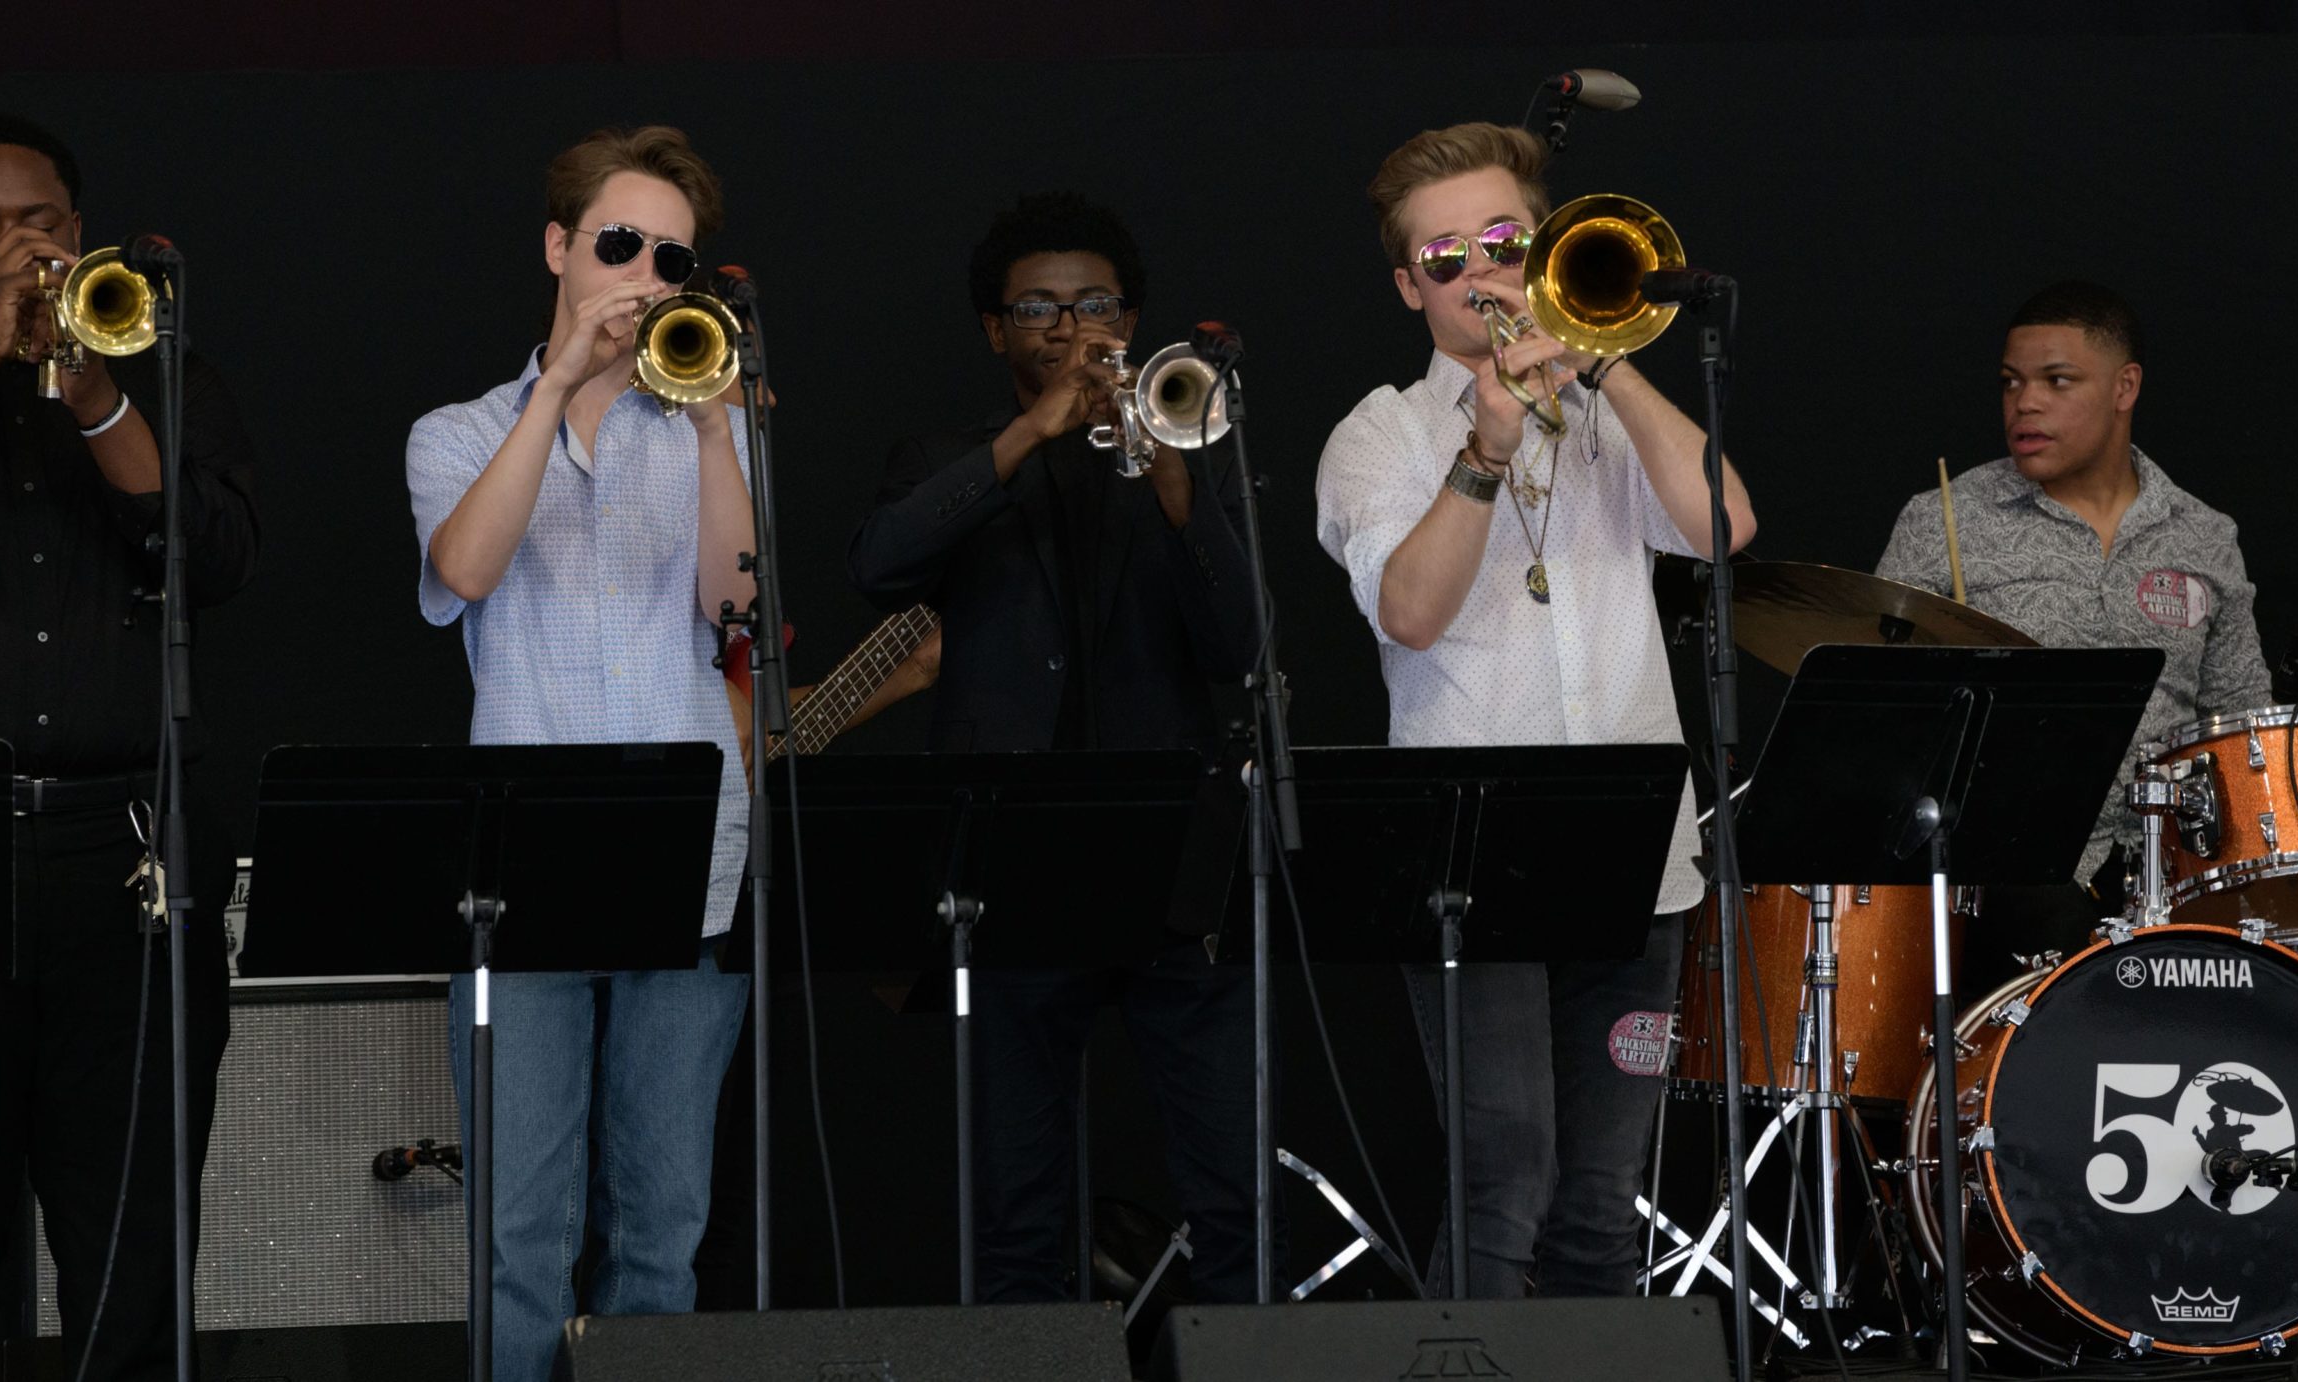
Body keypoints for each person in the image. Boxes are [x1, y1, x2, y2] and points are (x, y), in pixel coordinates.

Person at [1314, 122, 1755, 1298]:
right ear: (1411, 285)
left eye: (1505, 243)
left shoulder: (1610, 410)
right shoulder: (1378, 434)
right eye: (1447, 258)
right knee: (1504, 1183)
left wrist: (1610, 363)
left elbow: (1726, 533)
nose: (1484, 276)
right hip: (1469, 857)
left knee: (1604, 1200)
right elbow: (1406, 612)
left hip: (1637, 860)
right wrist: (1485, 448)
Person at [0, 112, 257, 1380]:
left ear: (79, 238)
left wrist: (91, 391)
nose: (16, 251)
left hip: (123, 856)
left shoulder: (153, 377)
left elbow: (215, 553)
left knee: (130, 1244)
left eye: (41, 229)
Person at [845, 190, 1271, 1301]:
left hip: (1175, 861)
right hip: (1011, 868)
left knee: (1233, 1186)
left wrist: (1176, 477)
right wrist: (1030, 433)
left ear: (1132, 317)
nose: (1067, 324)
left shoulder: (1189, 446)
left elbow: (1237, 643)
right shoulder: (944, 455)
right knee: (1018, 1198)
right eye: (1037, 306)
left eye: (1092, 303)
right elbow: (880, 564)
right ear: (997, 330)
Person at [403, 124, 752, 1382]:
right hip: (520, 879)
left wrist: (718, 436)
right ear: (559, 249)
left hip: (687, 865)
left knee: (662, 1230)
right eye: (619, 243)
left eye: (673, 257)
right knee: (519, 1238)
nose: (645, 273)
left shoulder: (707, 423)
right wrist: (556, 388)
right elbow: (463, 570)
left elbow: (733, 615)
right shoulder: (455, 431)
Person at [1876, 281, 2271, 991]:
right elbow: (1881, 713)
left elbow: (2238, 722)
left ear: (2125, 387)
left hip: (2171, 875)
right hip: (2002, 875)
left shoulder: (2205, 535)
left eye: (2057, 381)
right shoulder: (1944, 521)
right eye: (2012, 383)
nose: (2025, 403)